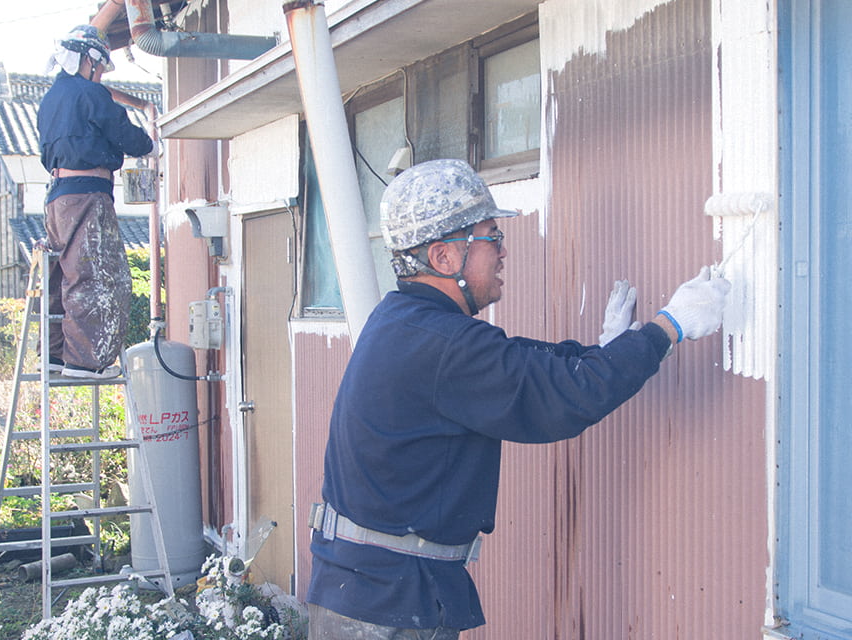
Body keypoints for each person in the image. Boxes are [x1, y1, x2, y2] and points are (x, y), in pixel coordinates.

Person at [305, 158, 731, 638]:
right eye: (492, 237)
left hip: (373, 593)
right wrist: (667, 327)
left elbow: (520, 362)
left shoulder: (406, 322)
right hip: (385, 607)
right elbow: (562, 395)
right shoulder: (444, 343)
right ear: (445, 257)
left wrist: (607, 351)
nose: (503, 251)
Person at [37, 25, 154, 379]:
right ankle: (85, 362)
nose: (101, 74)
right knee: (95, 273)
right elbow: (125, 135)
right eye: (100, 66)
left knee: (62, 275)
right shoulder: (91, 94)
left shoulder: (49, 101)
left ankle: (55, 355)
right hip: (87, 194)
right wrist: (150, 144)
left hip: (56, 198)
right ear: (87, 59)